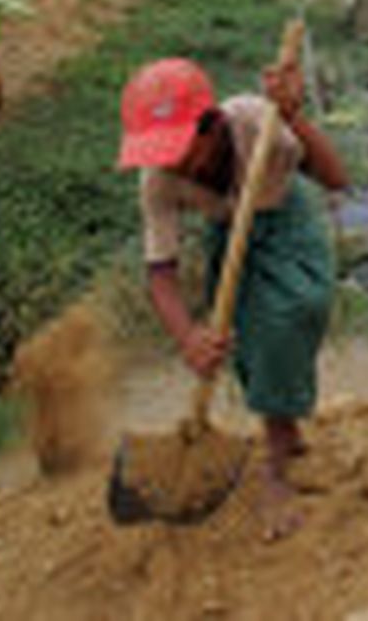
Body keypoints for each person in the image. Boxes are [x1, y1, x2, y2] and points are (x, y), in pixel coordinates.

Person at [117, 54, 348, 540]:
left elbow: (335, 178)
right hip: (231, 232)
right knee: (247, 339)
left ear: (211, 124)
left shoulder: (253, 120)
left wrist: (292, 118)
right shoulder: (157, 180)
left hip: (286, 215)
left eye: (178, 148)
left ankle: (276, 467)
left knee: (293, 312)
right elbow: (161, 275)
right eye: (158, 152)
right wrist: (188, 338)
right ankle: (284, 438)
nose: (170, 162)